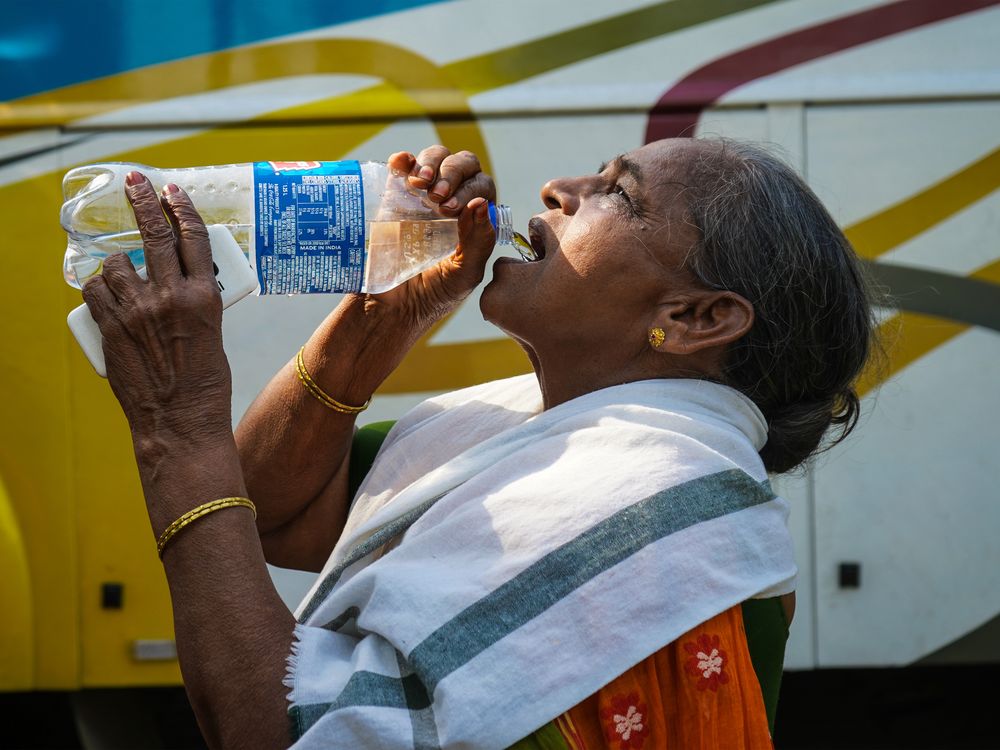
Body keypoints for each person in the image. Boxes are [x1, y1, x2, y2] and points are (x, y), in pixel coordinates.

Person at [82, 138, 876, 749]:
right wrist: (382, 317)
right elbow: (273, 512)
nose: (559, 191)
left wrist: (177, 425)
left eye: (618, 195)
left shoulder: (655, 498)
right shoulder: (531, 427)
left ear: (700, 318)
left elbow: (287, 732)